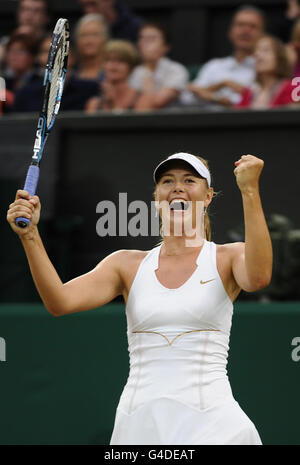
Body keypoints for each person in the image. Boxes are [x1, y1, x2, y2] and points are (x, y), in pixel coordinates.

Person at [7, 151, 272, 445]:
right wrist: (30, 235)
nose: (177, 187)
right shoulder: (125, 264)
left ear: (208, 196)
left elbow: (259, 276)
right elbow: (60, 302)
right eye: (167, 181)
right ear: (157, 197)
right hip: (139, 426)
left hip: (214, 426)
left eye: (189, 180)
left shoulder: (227, 257)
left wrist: (249, 190)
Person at [181, 5, 265, 109]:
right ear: (231, 32)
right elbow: (187, 98)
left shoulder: (265, 68)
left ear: (262, 35)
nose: (245, 31)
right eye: (240, 25)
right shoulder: (214, 66)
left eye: (252, 26)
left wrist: (211, 95)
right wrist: (221, 85)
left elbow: (260, 103)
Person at [13, 35, 99, 112]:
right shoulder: (25, 95)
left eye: (58, 50)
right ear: (39, 58)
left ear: (72, 57)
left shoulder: (90, 90)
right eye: (46, 51)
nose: (53, 56)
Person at [129, 23, 189, 110]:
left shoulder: (176, 70)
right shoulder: (137, 71)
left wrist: (148, 72)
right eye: (142, 38)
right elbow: (128, 105)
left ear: (166, 46)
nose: (144, 43)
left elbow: (155, 104)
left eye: (151, 39)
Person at [236, 35, 294, 109]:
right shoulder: (248, 93)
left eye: (265, 50)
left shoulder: (292, 88)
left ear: (279, 58)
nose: (257, 55)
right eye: (256, 51)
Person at [85, 39, 139, 112]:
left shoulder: (141, 98)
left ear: (130, 66)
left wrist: (112, 105)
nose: (114, 65)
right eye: (109, 60)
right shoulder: (94, 104)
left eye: (120, 61)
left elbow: (137, 123)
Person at [78, 0, 143, 43]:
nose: (88, 11)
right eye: (84, 6)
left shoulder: (136, 27)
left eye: (93, 4)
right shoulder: (79, 28)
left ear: (109, 1)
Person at [74, 13, 108, 84]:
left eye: (94, 35)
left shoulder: (112, 72)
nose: (89, 41)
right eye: (84, 35)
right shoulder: (70, 73)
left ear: (105, 38)